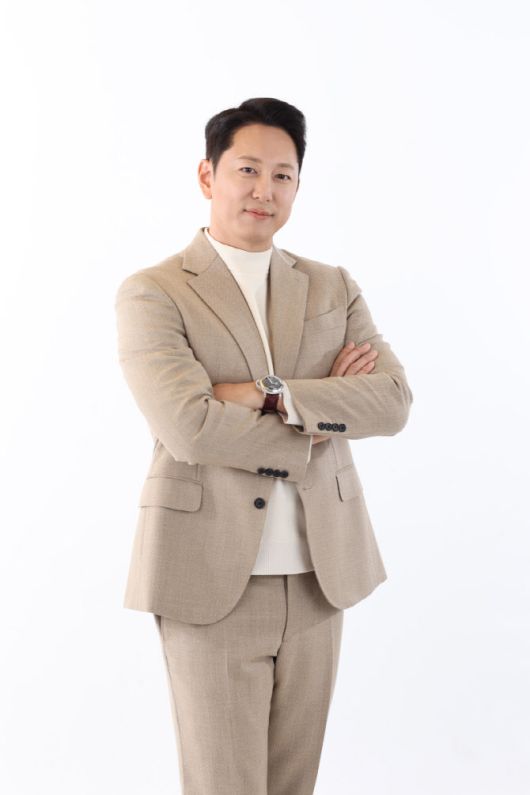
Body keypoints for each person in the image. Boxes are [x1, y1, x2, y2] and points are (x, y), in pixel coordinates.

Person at [114, 96, 413, 794]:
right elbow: (188, 425)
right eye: (247, 169)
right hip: (209, 577)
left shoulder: (332, 286)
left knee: (293, 785)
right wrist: (321, 410)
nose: (264, 190)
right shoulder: (154, 292)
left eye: (283, 175)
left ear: (298, 186)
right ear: (208, 175)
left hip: (320, 575)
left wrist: (267, 391)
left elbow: (392, 402)